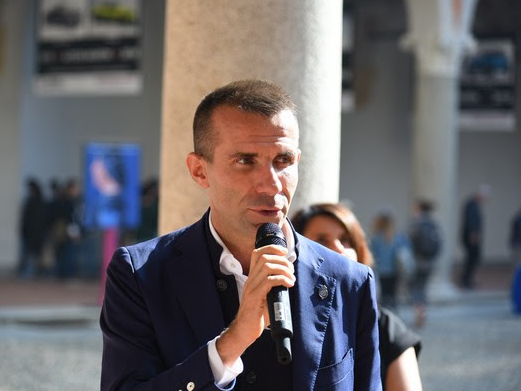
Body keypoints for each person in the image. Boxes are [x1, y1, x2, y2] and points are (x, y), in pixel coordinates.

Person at [100, 80, 382, 391]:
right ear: (199, 171)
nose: (271, 184)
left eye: (283, 161)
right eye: (246, 161)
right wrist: (233, 341)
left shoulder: (350, 281)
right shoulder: (141, 274)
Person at [292, 203, 423, 391]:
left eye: (346, 240)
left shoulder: (388, 330)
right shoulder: (281, 321)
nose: (338, 249)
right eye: (321, 241)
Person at [408, 199, 441, 327]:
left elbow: (409, 242)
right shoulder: (434, 224)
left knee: (415, 288)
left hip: (417, 262)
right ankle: (423, 309)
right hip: (429, 262)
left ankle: (419, 310)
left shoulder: (416, 223)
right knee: (423, 287)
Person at [369, 212, 409, 309]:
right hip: (395, 269)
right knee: (393, 293)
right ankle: (393, 310)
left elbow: (373, 254)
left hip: (381, 270)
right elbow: (405, 250)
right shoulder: (398, 237)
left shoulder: (376, 237)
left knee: (383, 294)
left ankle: (385, 310)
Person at [460, 184, 491, 289]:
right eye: (484, 196)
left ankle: (468, 279)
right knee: (471, 258)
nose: (485, 199)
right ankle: (466, 281)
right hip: (471, 237)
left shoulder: (475, 204)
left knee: (473, 258)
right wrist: (473, 234)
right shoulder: (471, 204)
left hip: (473, 236)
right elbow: (470, 220)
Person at [17, 177, 48, 278]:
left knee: (31, 253)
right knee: (34, 253)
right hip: (35, 232)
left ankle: (31, 271)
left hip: (34, 233)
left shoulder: (34, 201)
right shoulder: (38, 200)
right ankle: (32, 271)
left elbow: (29, 218)